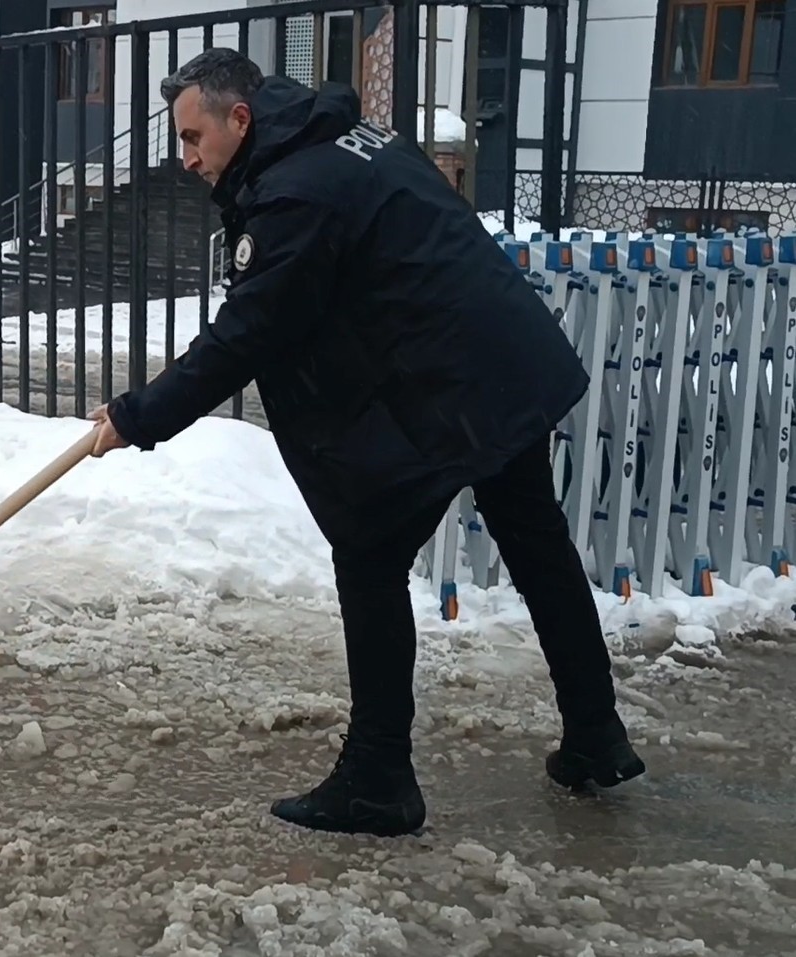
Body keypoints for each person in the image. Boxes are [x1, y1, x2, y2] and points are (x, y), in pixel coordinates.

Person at [87, 48, 646, 838]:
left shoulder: (296, 191)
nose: (186, 160)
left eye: (191, 137)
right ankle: (596, 733)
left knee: (371, 551)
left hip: (455, 378)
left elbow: (248, 334)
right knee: (538, 546)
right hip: (496, 361)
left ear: (239, 118)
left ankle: (379, 777)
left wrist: (138, 416)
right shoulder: (340, 139)